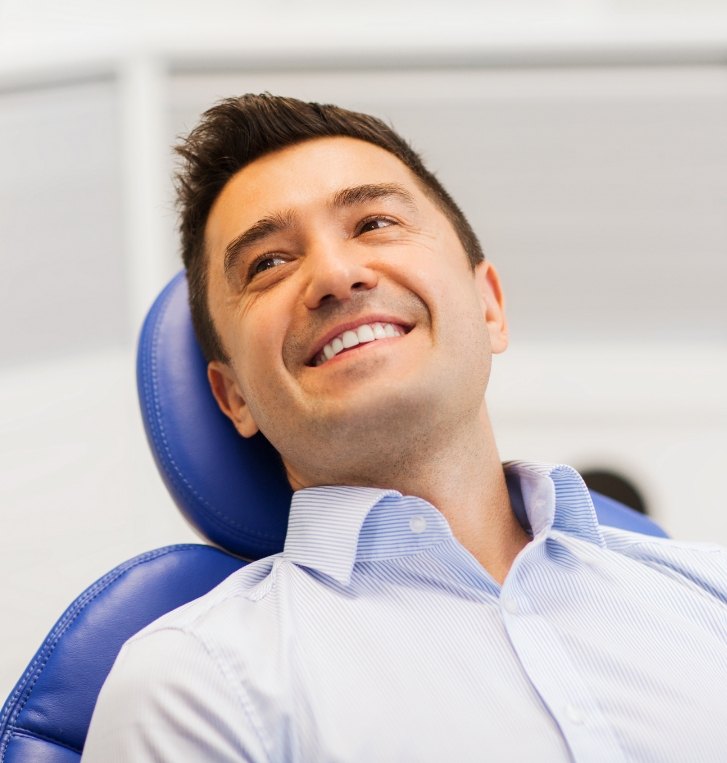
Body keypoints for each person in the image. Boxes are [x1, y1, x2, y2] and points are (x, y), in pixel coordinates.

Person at [82, 94, 727, 761]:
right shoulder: (193, 687)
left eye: (374, 222)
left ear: (488, 306)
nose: (334, 274)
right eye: (268, 263)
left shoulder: (711, 591)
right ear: (232, 395)